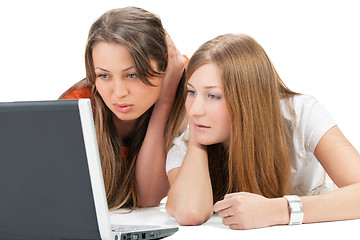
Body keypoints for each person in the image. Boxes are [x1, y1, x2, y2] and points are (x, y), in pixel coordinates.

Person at [165, 33, 360, 229]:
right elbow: (189, 212)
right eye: (191, 92)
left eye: (213, 95)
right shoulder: (186, 144)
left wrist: (276, 211)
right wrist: (197, 142)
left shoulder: (301, 114)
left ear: (247, 101)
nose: (194, 110)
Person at [60, 7, 186, 210]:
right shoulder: (76, 108)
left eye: (132, 75)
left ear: (166, 68)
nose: (118, 93)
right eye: (104, 75)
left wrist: (165, 100)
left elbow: (148, 198)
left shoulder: (189, 88)